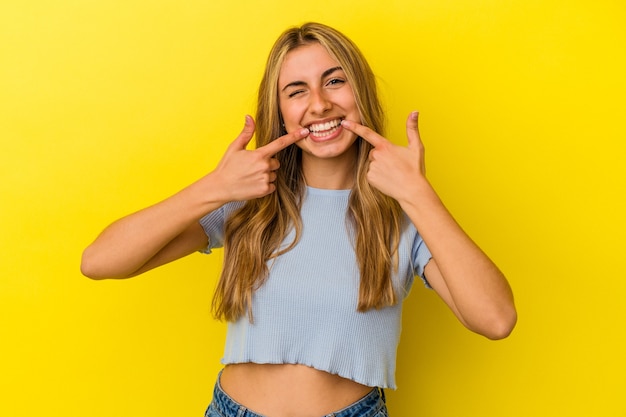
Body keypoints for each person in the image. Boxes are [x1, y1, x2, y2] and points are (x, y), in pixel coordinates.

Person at [81, 22, 516, 417]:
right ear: (281, 110)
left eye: (334, 81)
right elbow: (99, 262)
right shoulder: (251, 202)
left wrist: (419, 194)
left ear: (360, 92)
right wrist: (214, 188)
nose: (320, 104)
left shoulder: (402, 214)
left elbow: (496, 320)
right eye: (297, 90)